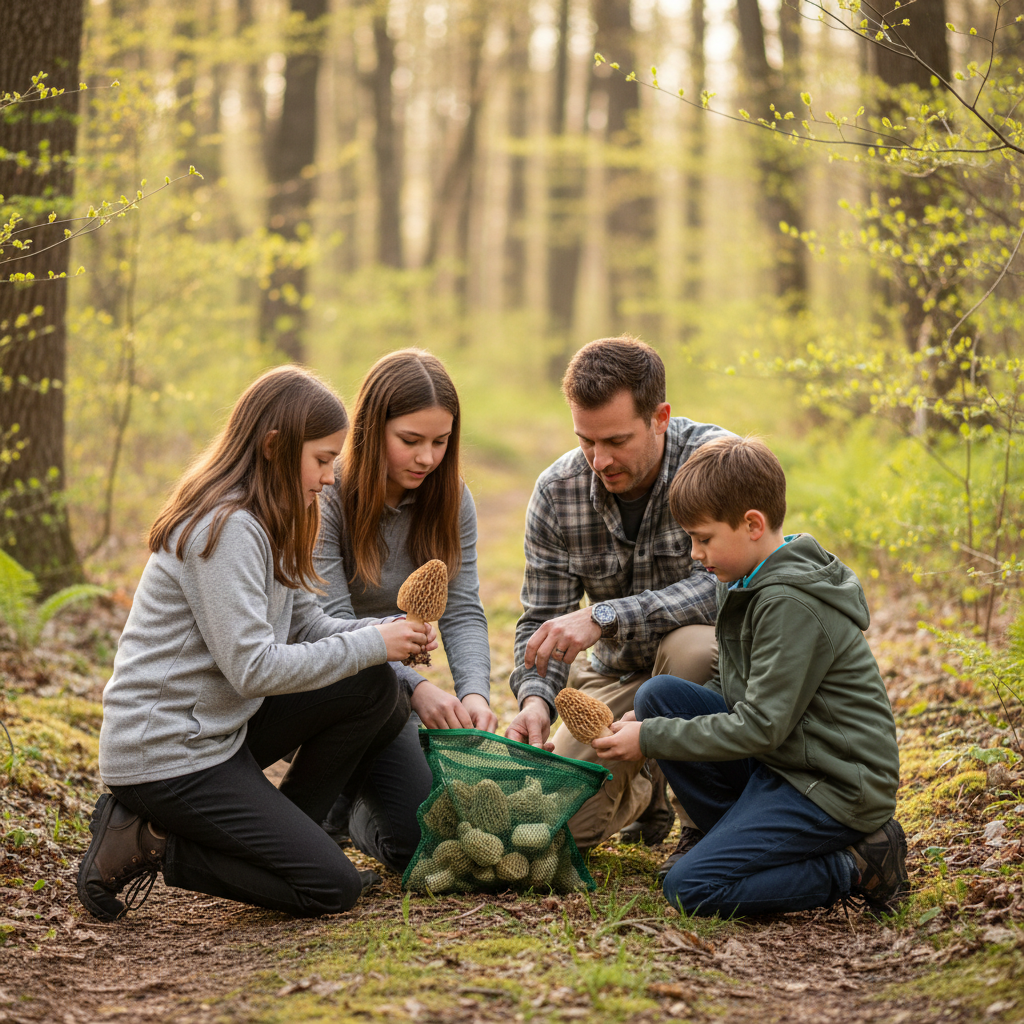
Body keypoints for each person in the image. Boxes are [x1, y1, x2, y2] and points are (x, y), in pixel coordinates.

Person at [77, 366, 435, 922]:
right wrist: (374, 643)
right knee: (329, 889)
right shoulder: (223, 528)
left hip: (218, 735)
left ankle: (289, 839)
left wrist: (385, 634)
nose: (331, 477)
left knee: (373, 686)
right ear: (273, 446)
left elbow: (306, 627)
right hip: (167, 756)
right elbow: (253, 670)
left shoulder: (275, 517)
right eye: (322, 459)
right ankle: (150, 842)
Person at [594, 435, 908, 916]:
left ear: (753, 525)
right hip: (782, 764)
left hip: (832, 784)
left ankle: (859, 862)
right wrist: (654, 722)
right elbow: (731, 690)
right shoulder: (742, 579)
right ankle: (744, 841)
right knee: (659, 695)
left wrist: (652, 739)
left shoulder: (789, 603)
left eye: (703, 538)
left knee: (690, 888)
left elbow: (761, 725)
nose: (696, 554)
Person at [506, 336, 731, 853]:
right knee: (550, 833)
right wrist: (536, 700)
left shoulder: (716, 462)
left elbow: (730, 585)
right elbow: (542, 616)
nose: (599, 459)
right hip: (611, 678)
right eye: (586, 441)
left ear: (660, 417)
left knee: (693, 648)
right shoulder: (557, 491)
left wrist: (604, 616)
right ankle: (643, 784)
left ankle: (699, 815)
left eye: (616, 441)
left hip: (706, 676)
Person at [315, 349, 495, 873]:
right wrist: (416, 687)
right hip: (335, 682)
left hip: (391, 693)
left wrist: (475, 695)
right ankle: (341, 793)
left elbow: (462, 610)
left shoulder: (451, 498)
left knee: (444, 836)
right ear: (373, 430)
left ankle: (355, 799)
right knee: (419, 838)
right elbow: (324, 620)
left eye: (440, 442)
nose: (426, 458)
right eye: (410, 441)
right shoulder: (328, 493)